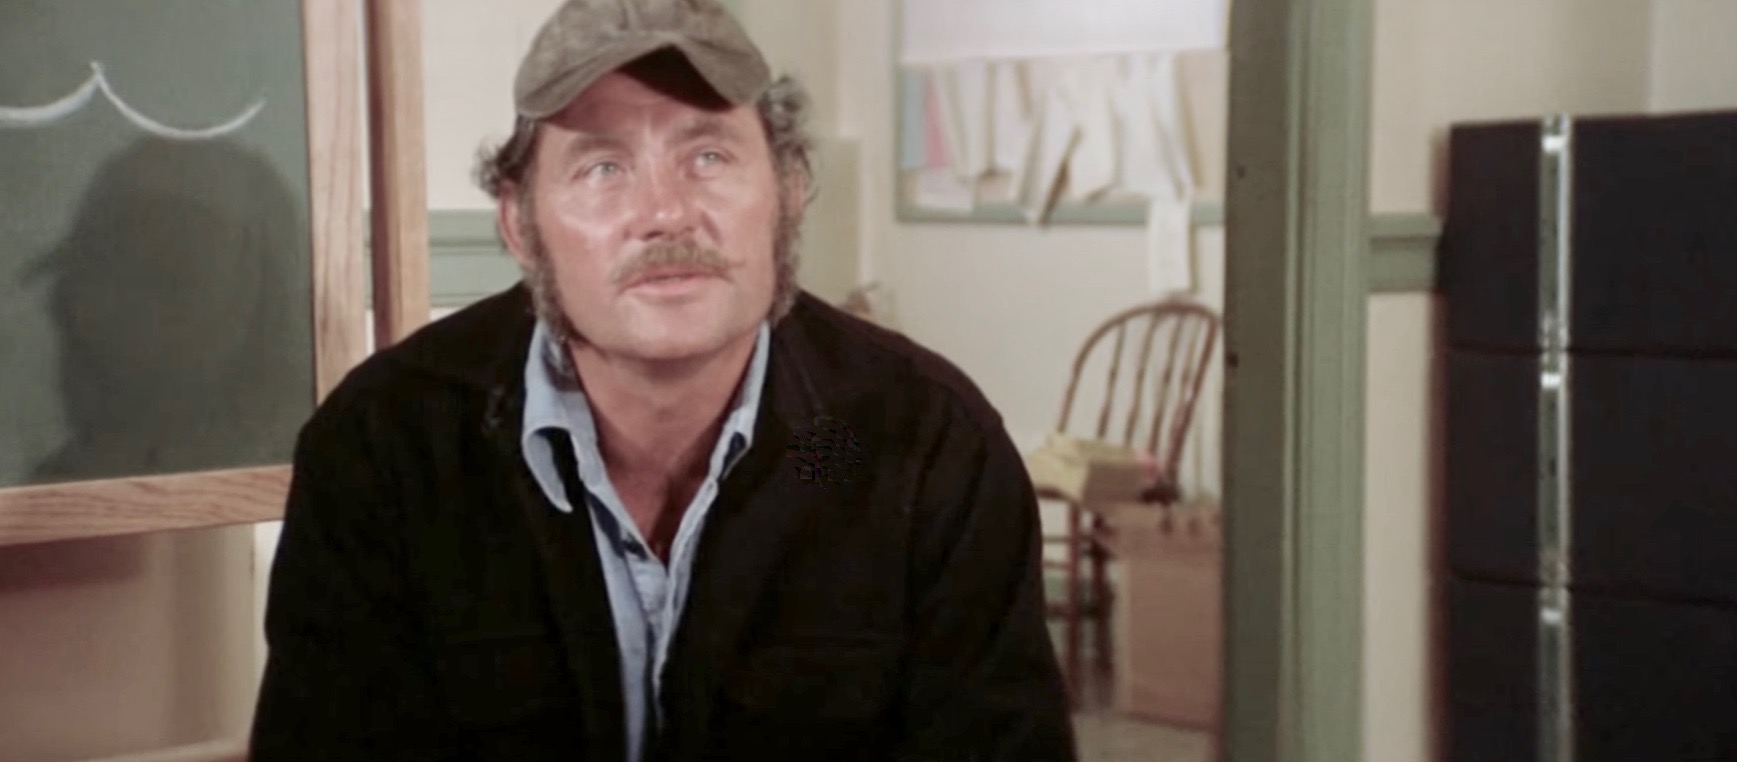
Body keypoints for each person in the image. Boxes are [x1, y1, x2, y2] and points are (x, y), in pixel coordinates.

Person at [250, 0, 1075, 759]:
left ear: (788, 193)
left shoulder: (917, 444)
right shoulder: (388, 448)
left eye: (708, 156)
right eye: (602, 168)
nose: (665, 212)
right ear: (519, 225)